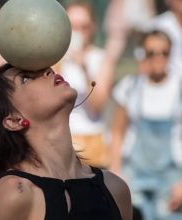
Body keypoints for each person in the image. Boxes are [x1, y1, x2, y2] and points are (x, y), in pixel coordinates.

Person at [0, 64, 132, 220]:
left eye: (47, 69)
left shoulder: (115, 188)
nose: (48, 71)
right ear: (14, 120)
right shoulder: (14, 192)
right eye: (25, 79)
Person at [111, 30, 182, 220]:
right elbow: (118, 132)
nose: (158, 58)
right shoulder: (130, 87)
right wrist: (117, 173)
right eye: (151, 52)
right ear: (143, 54)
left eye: (164, 52)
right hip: (134, 175)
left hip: (171, 178)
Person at [57, 0, 119, 168]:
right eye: (72, 27)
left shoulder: (101, 59)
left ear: (92, 28)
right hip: (58, 142)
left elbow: (98, 105)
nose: (78, 33)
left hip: (90, 142)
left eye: (83, 27)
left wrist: (84, 68)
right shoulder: (54, 58)